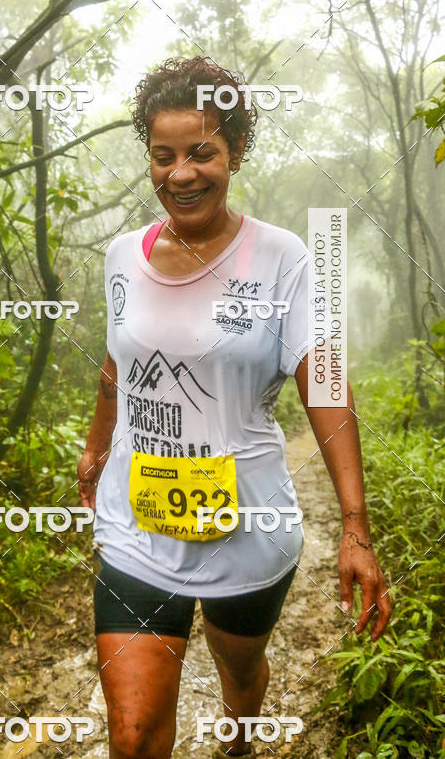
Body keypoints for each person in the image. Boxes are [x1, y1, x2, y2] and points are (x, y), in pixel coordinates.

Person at [77, 57, 391, 758]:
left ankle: (241, 738)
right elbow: (115, 363)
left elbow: (328, 385)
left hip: (247, 529)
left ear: (236, 152)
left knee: (240, 673)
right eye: (163, 156)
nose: (180, 173)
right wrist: (97, 447)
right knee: (131, 732)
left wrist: (355, 525)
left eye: (201, 153)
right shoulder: (122, 255)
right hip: (137, 527)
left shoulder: (285, 260)